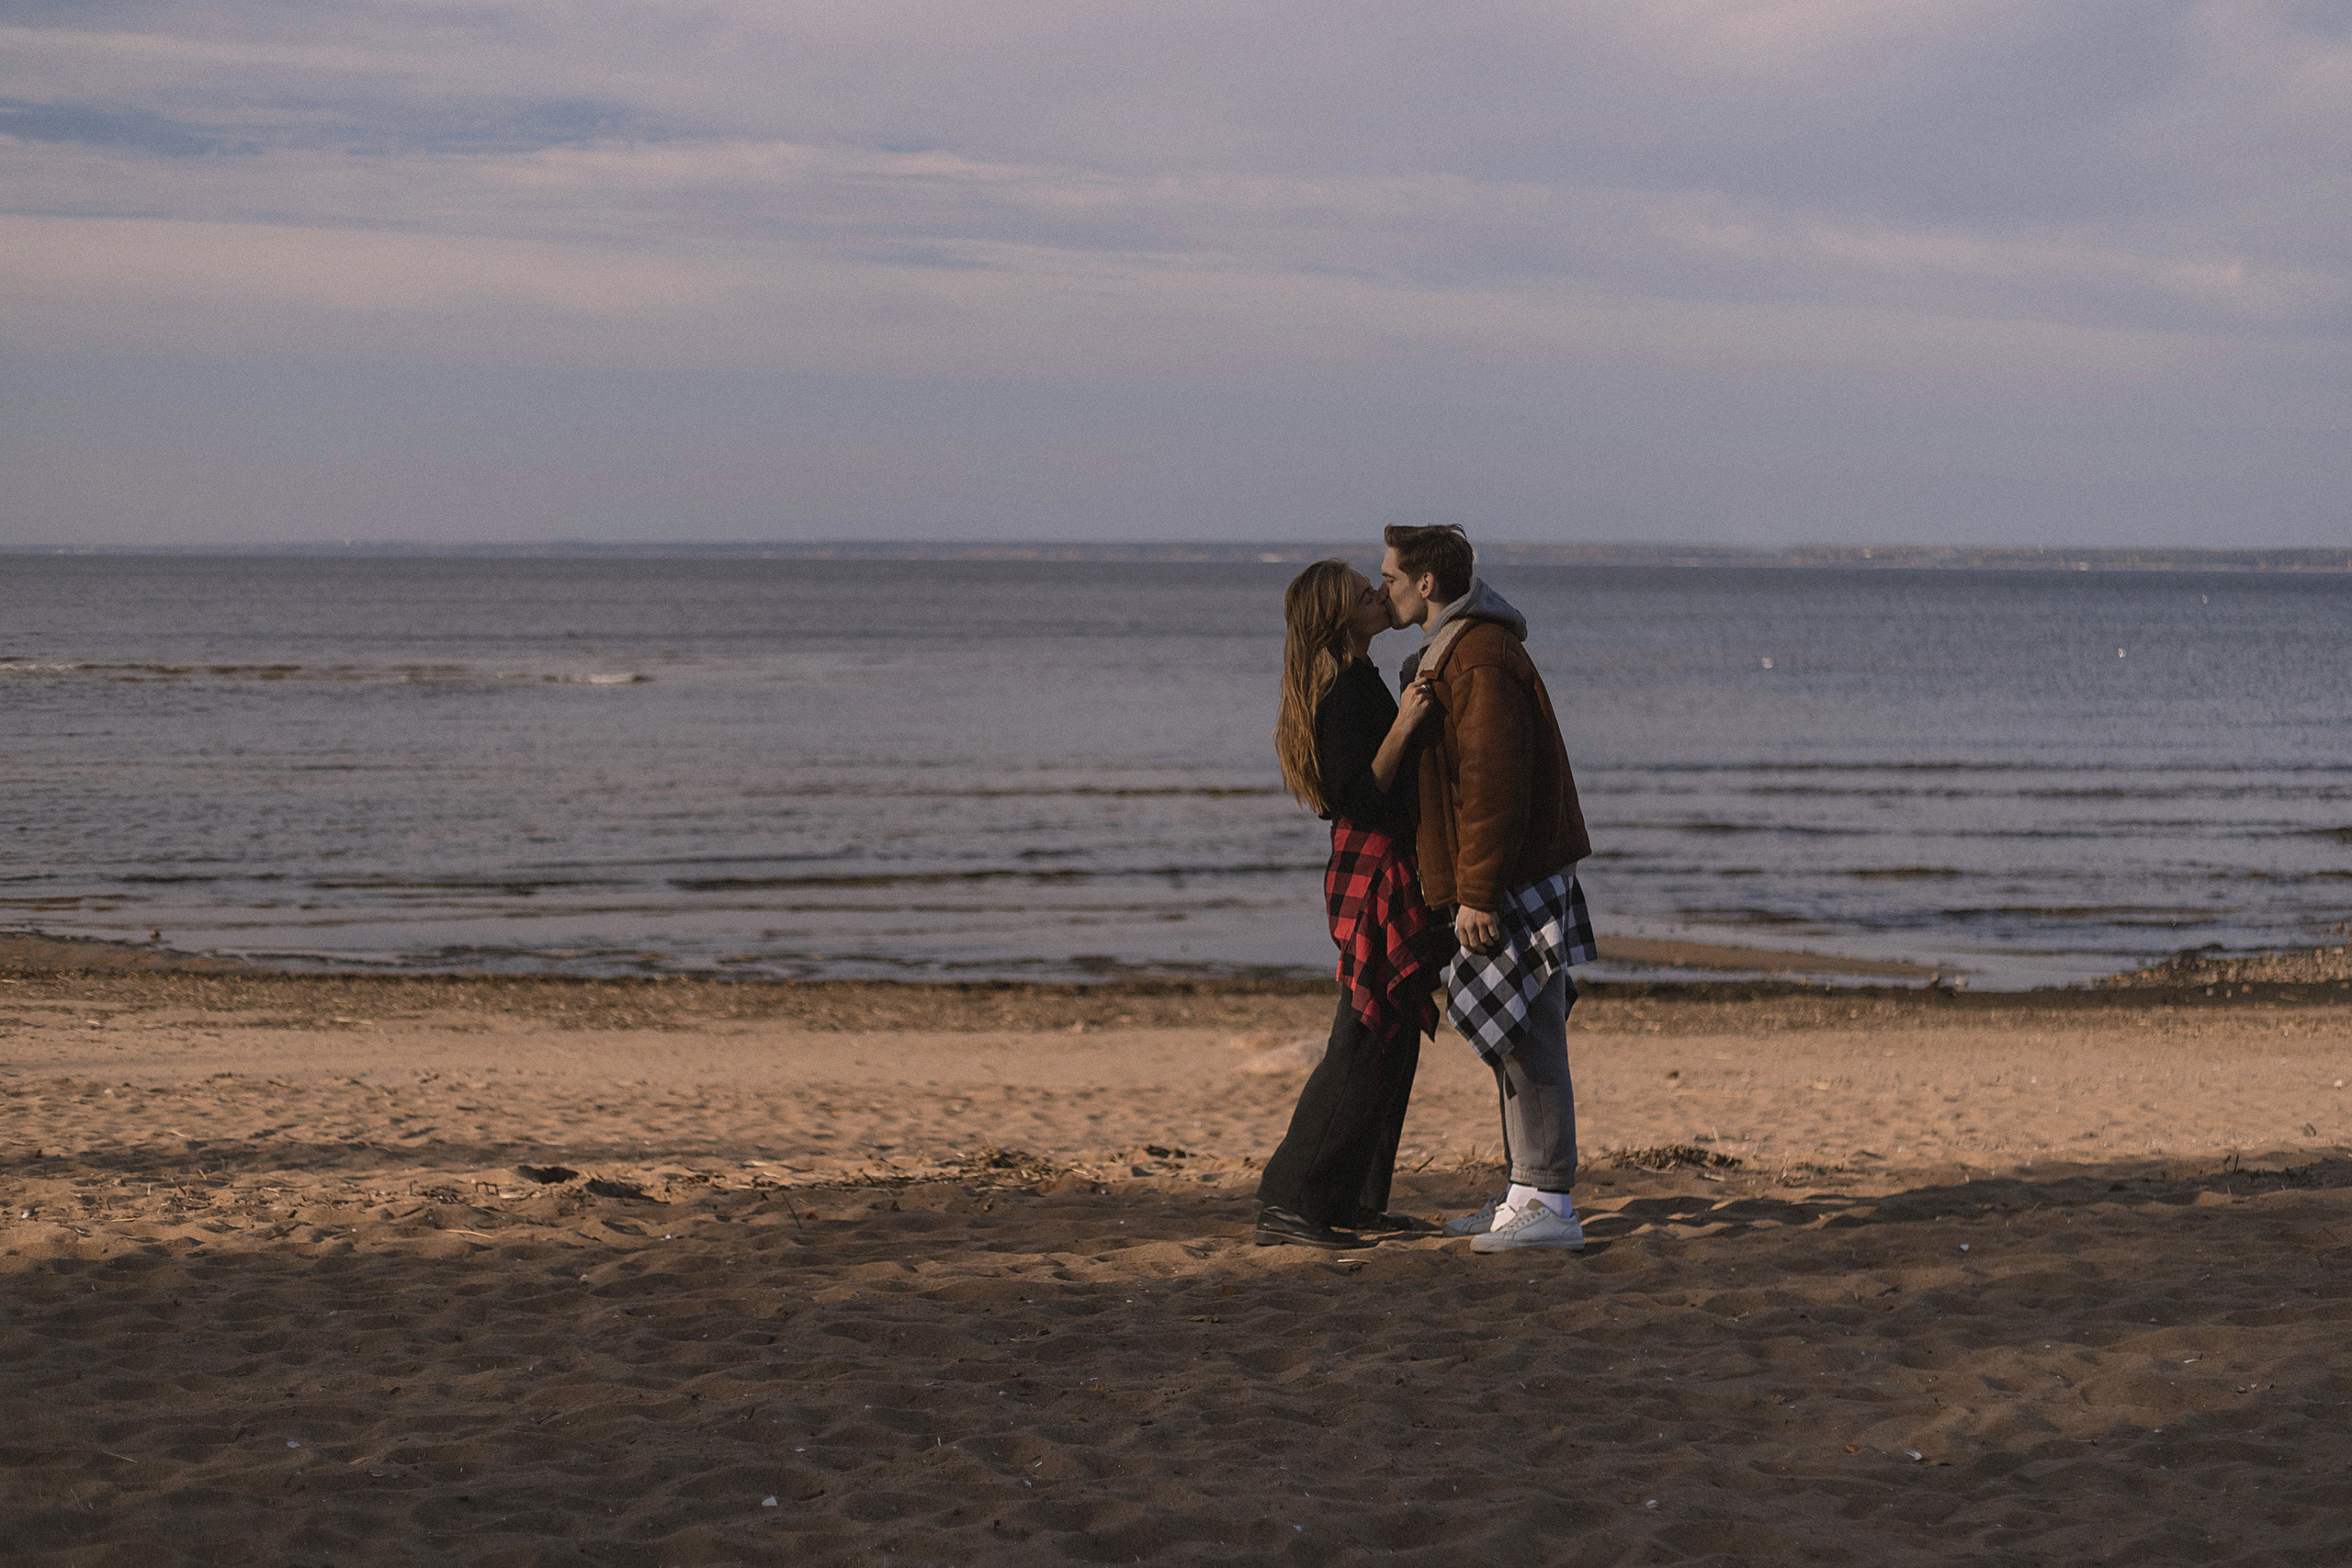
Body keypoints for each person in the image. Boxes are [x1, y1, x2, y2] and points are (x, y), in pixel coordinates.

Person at [1380, 524, 1597, 1253]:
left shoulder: (1478, 656)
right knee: (1508, 1034)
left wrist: (1477, 890)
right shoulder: (1460, 650)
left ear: (1428, 583)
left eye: (1391, 578)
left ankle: (1549, 1200)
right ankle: (1522, 1193)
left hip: (1511, 880)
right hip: (1503, 875)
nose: (1385, 589)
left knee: (1529, 1033)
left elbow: (1492, 782)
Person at [1253, 559, 1446, 1249]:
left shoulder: (1359, 680)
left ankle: (1358, 1198)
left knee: (1391, 1042)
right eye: (1365, 594)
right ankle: (1289, 1196)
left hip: (1386, 866)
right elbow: (1356, 797)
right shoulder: (1341, 693)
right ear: (1340, 617)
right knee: (1362, 1039)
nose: (1378, 596)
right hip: (1372, 871)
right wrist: (1407, 725)